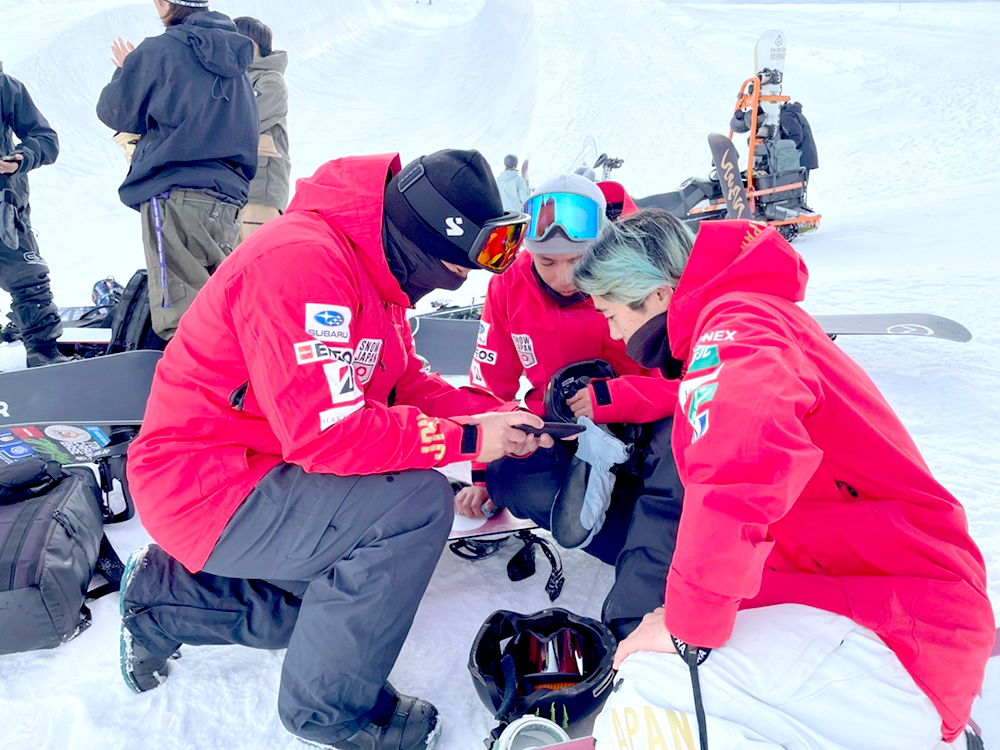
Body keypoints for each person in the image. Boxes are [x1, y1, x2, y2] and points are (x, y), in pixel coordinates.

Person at [119, 148, 547, 750]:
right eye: (451, 272)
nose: (442, 291)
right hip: (206, 483)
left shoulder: (371, 261)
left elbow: (399, 383)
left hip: (270, 468)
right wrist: (471, 440)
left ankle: (165, 600)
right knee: (413, 505)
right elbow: (329, 435)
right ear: (422, 249)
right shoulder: (302, 265)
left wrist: (486, 412)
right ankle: (329, 711)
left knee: (340, 614)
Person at [569, 210, 994, 749]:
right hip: (866, 602)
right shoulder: (751, 317)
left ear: (653, 296)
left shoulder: (735, 327)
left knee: (645, 687)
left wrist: (686, 623)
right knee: (663, 653)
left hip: (901, 632)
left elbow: (740, 456)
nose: (611, 332)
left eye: (609, 313)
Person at [456, 174, 684, 639]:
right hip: (561, 430)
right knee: (509, 477)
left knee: (680, 452)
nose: (564, 279)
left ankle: (654, 551)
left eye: (578, 261)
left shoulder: (643, 271)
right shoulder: (508, 289)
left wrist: (620, 399)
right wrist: (483, 470)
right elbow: (488, 388)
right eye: (546, 263)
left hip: (649, 424)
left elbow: (695, 384)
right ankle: (643, 544)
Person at [96, 0, 258, 341]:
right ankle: (231, 388)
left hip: (174, 192)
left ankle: (195, 391)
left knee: (181, 318)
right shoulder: (237, 60)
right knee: (219, 306)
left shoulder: (161, 50)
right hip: (227, 199)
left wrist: (130, 68)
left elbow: (116, 111)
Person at [0, 64, 70, 367]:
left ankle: (43, 354)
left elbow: (46, 139)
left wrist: (21, 158)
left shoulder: (5, 87)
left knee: (29, 279)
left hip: (5, 210)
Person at [233, 16, 290, 243]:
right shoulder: (238, 80)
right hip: (238, 191)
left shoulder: (270, 81)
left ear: (251, 46)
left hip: (260, 193)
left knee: (257, 265)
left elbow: (242, 120)